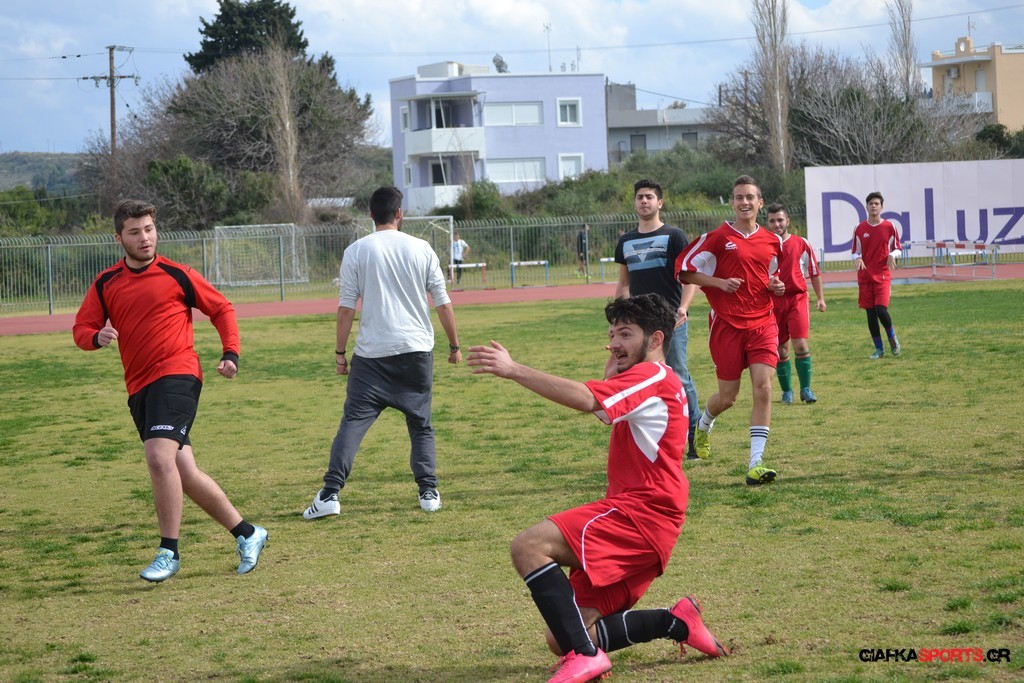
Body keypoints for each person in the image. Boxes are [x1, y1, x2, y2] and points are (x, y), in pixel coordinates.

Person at [467, 294, 728, 683]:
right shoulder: (655, 380)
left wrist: (514, 369)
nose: (614, 343)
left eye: (625, 334)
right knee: (564, 634)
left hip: (641, 514)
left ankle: (586, 658)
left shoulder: (652, 376)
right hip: (654, 522)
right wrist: (613, 370)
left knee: (529, 546)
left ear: (656, 339)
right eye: (611, 334)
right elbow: (608, 411)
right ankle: (675, 622)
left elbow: (589, 400)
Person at [73, 199, 267, 583]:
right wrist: (96, 337)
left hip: (178, 374)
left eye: (149, 229)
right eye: (134, 232)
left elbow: (222, 308)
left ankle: (169, 552)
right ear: (119, 238)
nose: (145, 238)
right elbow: (81, 329)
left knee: (158, 458)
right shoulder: (106, 283)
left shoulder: (178, 274)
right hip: (139, 388)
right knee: (184, 471)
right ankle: (248, 533)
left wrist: (231, 352)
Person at [304, 186, 462, 518]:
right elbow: (443, 302)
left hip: (371, 357)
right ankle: (428, 492)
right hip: (416, 350)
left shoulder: (356, 251)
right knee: (421, 424)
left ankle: (330, 494)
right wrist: (454, 346)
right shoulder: (422, 248)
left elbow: (346, 308)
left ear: (371, 215)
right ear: (399, 214)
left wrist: (339, 354)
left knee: (352, 423)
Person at [676, 175, 785, 486]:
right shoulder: (715, 238)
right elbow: (684, 271)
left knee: (764, 387)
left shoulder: (773, 241)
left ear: (760, 203)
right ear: (733, 203)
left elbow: (771, 276)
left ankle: (755, 463)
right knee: (728, 397)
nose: (744, 202)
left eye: (750, 197)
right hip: (727, 326)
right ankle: (704, 424)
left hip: (763, 323)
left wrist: (776, 286)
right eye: (739, 197)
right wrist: (719, 283)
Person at [615, 179, 701, 459]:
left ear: (659, 203)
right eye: (640, 196)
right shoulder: (625, 242)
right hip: (640, 323)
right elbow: (624, 284)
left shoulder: (674, 236)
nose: (644, 201)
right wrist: (619, 319)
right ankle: (650, 441)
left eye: (649, 197)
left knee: (679, 376)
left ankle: (695, 438)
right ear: (634, 202)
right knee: (640, 378)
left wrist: (683, 308)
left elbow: (689, 279)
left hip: (671, 320)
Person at [766, 203, 827, 404]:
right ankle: (787, 392)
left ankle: (806, 389)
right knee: (780, 349)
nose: (777, 224)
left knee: (800, 344)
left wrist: (820, 298)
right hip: (773, 301)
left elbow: (814, 272)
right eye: (772, 221)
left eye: (780, 220)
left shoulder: (801, 243)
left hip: (797, 298)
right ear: (767, 223)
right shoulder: (763, 245)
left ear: (788, 221)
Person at [852, 191, 902, 359]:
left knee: (881, 310)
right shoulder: (859, 228)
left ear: (881, 207)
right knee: (871, 314)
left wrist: (892, 255)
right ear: (866, 207)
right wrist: (858, 258)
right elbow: (855, 251)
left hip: (882, 275)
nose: (873, 206)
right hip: (865, 277)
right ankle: (879, 349)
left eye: (876, 203)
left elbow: (898, 248)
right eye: (871, 203)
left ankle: (892, 338)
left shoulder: (889, 226)